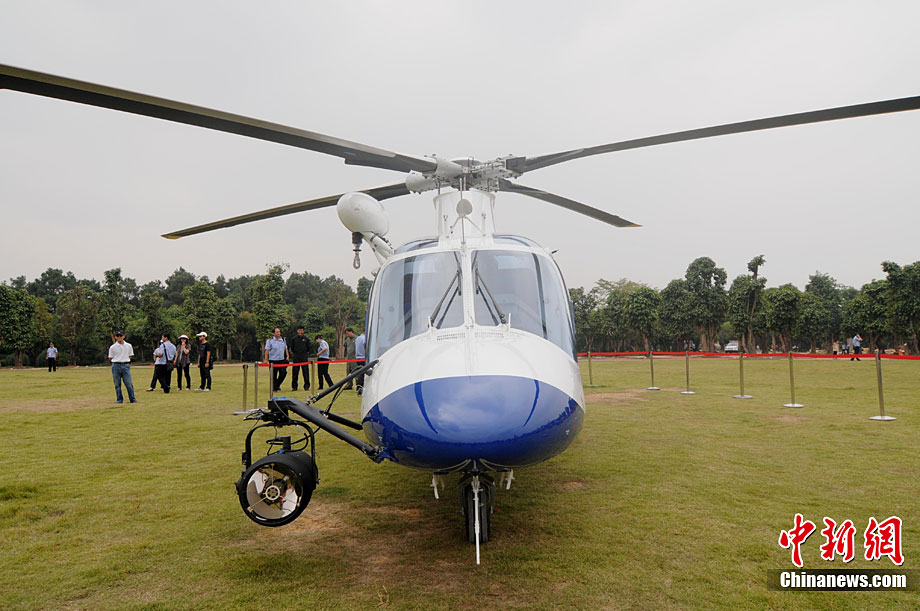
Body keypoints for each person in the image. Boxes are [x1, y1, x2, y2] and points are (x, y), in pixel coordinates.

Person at [108, 330, 137, 404]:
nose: (119, 337)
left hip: (125, 365)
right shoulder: (113, 347)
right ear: (115, 337)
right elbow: (110, 357)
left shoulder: (128, 346)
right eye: (117, 336)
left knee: (129, 383)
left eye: (120, 336)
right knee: (117, 384)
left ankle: (132, 399)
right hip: (116, 365)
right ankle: (119, 399)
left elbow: (130, 356)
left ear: (124, 336)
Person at [263, 327, 290, 393]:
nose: (279, 333)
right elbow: (267, 350)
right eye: (277, 332)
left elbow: (285, 348)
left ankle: (277, 385)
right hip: (273, 360)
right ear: (273, 333)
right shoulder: (270, 341)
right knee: (273, 375)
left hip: (281, 360)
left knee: (283, 373)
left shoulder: (283, 340)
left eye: (279, 332)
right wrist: (266, 359)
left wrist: (287, 355)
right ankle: (275, 388)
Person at [289, 326, 312, 391]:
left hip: (304, 357)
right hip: (296, 357)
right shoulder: (294, 339)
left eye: (301, 330)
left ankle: (306, 386)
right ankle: (294, 387)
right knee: (295, 372)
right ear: (297, 331)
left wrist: (306, 353)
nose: (300, 332)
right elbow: (292, 348)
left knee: (305, 372)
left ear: (303, 331)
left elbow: (309, 348)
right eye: (299, 330)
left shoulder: (306, 339)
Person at [354, 330, 366, 395]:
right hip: (363, 357)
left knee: (361, 372)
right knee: (363, 373)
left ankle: (359, 386)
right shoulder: (364, 338)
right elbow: (365, 347)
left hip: (358, 358)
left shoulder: (357, 338)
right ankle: (359, 386)